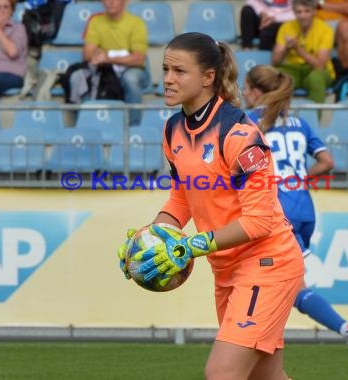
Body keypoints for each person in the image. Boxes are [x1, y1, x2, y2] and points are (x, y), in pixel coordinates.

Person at [118, 32, 305, 380]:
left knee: (222, 374)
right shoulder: (173, 129)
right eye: (165, 70)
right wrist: (148, 239)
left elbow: (260, 222)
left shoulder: (239, 135)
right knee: (263, 377)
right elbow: (181, 198)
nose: (168, 79)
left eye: (179, 71)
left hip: (268, 263)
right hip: (228, 270)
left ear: (208, 78)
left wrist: (189, 245)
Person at [243, 64, 348, 368]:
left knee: (273, 281)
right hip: (303, 208)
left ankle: (258, 344)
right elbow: (327, 162)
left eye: (246, 88)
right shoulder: (300, 124)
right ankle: (344, 330)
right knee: (288, 284)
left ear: (255, 91)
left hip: (275, 210)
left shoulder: (250, 123)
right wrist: (299, 177)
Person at [74, 0, 149, 125]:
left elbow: (138, 59)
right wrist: (123, 56)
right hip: (106, 69)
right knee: (79, 77)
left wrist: (107, 56)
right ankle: (84, 126)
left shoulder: (136, 23)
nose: (110, 2)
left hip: (133, 69)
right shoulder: (96, 22)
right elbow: (87, 54)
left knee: (130, 78)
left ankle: (133, 128)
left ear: (124, 2)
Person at [272, 0, 335, 104]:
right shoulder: (286, 27)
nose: (303, 16)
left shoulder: (326, 29)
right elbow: (275, 62)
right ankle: (277, 117)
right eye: (299, 12)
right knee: (276, 77)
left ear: (314, 12)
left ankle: (314, 119)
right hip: (294, 68)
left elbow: (320, 66)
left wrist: (298, 49)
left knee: (316, 79)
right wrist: (286, 48)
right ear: (294, 12)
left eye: (307, 11)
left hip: (317, 70)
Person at [315, 0, 348, 79]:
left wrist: (321, 4)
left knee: (345, 27)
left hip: (345, 22)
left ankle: (344, 75)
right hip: (317, 22)